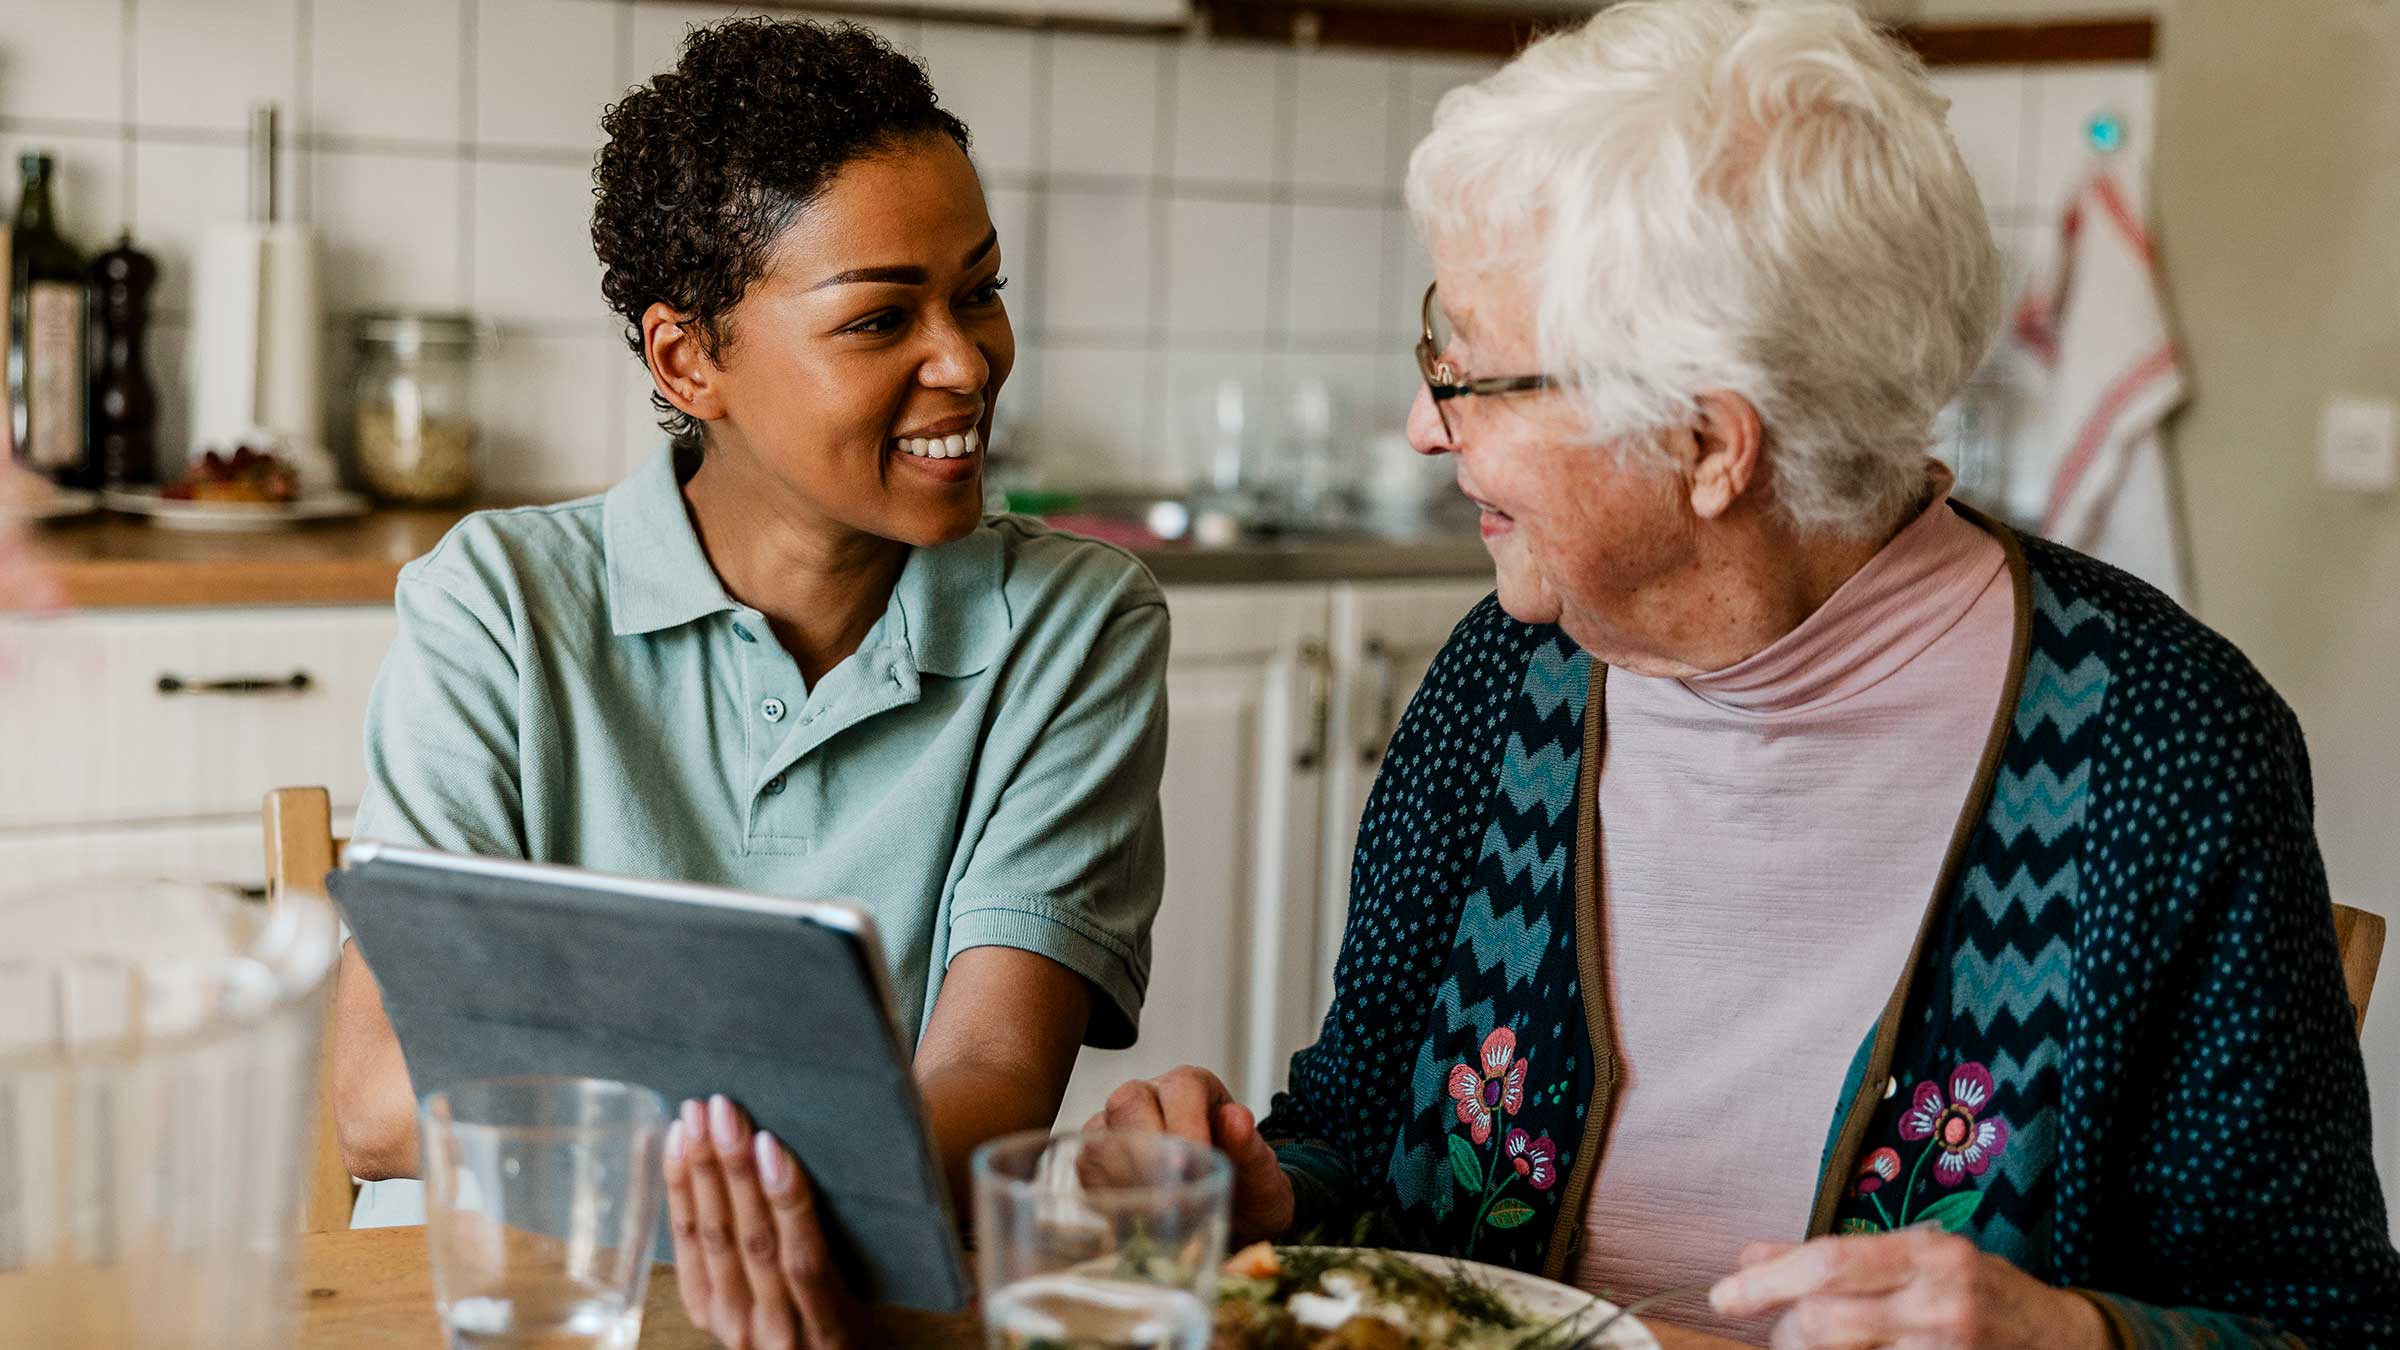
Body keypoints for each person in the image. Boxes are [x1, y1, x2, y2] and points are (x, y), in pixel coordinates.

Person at [1091, 2, 2400, 1345]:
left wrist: (2068, 1335)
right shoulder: (1504, 679)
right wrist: (1251, 1190)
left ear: (1709, 445)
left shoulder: (2167, 749)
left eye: (1475, 372)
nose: (1427, 425)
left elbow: (2324, 1325)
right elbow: (1354, 1139)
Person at [334, 20, 1168, 1349]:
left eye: (982, 290)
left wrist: (616, 1132)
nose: (966, 361)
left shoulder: (1076, 628)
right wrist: (810, 1167)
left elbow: (994, 1074)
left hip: (848, 1315)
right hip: (511, 1308)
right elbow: (382, 1098)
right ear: (687, 361)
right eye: (884, 317)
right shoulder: (494, 603)